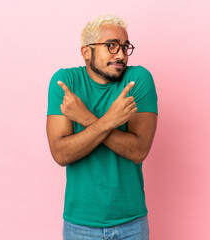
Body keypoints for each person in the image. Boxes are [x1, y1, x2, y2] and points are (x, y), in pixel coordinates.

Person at [46, 14, 158, 240]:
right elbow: (61, 154)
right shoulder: (65, 82)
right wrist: (110, 120)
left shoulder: (138, 79)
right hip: (80, 225)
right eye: (112, 46)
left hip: (131, 222)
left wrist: (86, 118)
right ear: (87, 51)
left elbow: (138, 151)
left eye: (125, 47)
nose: (121, 54)